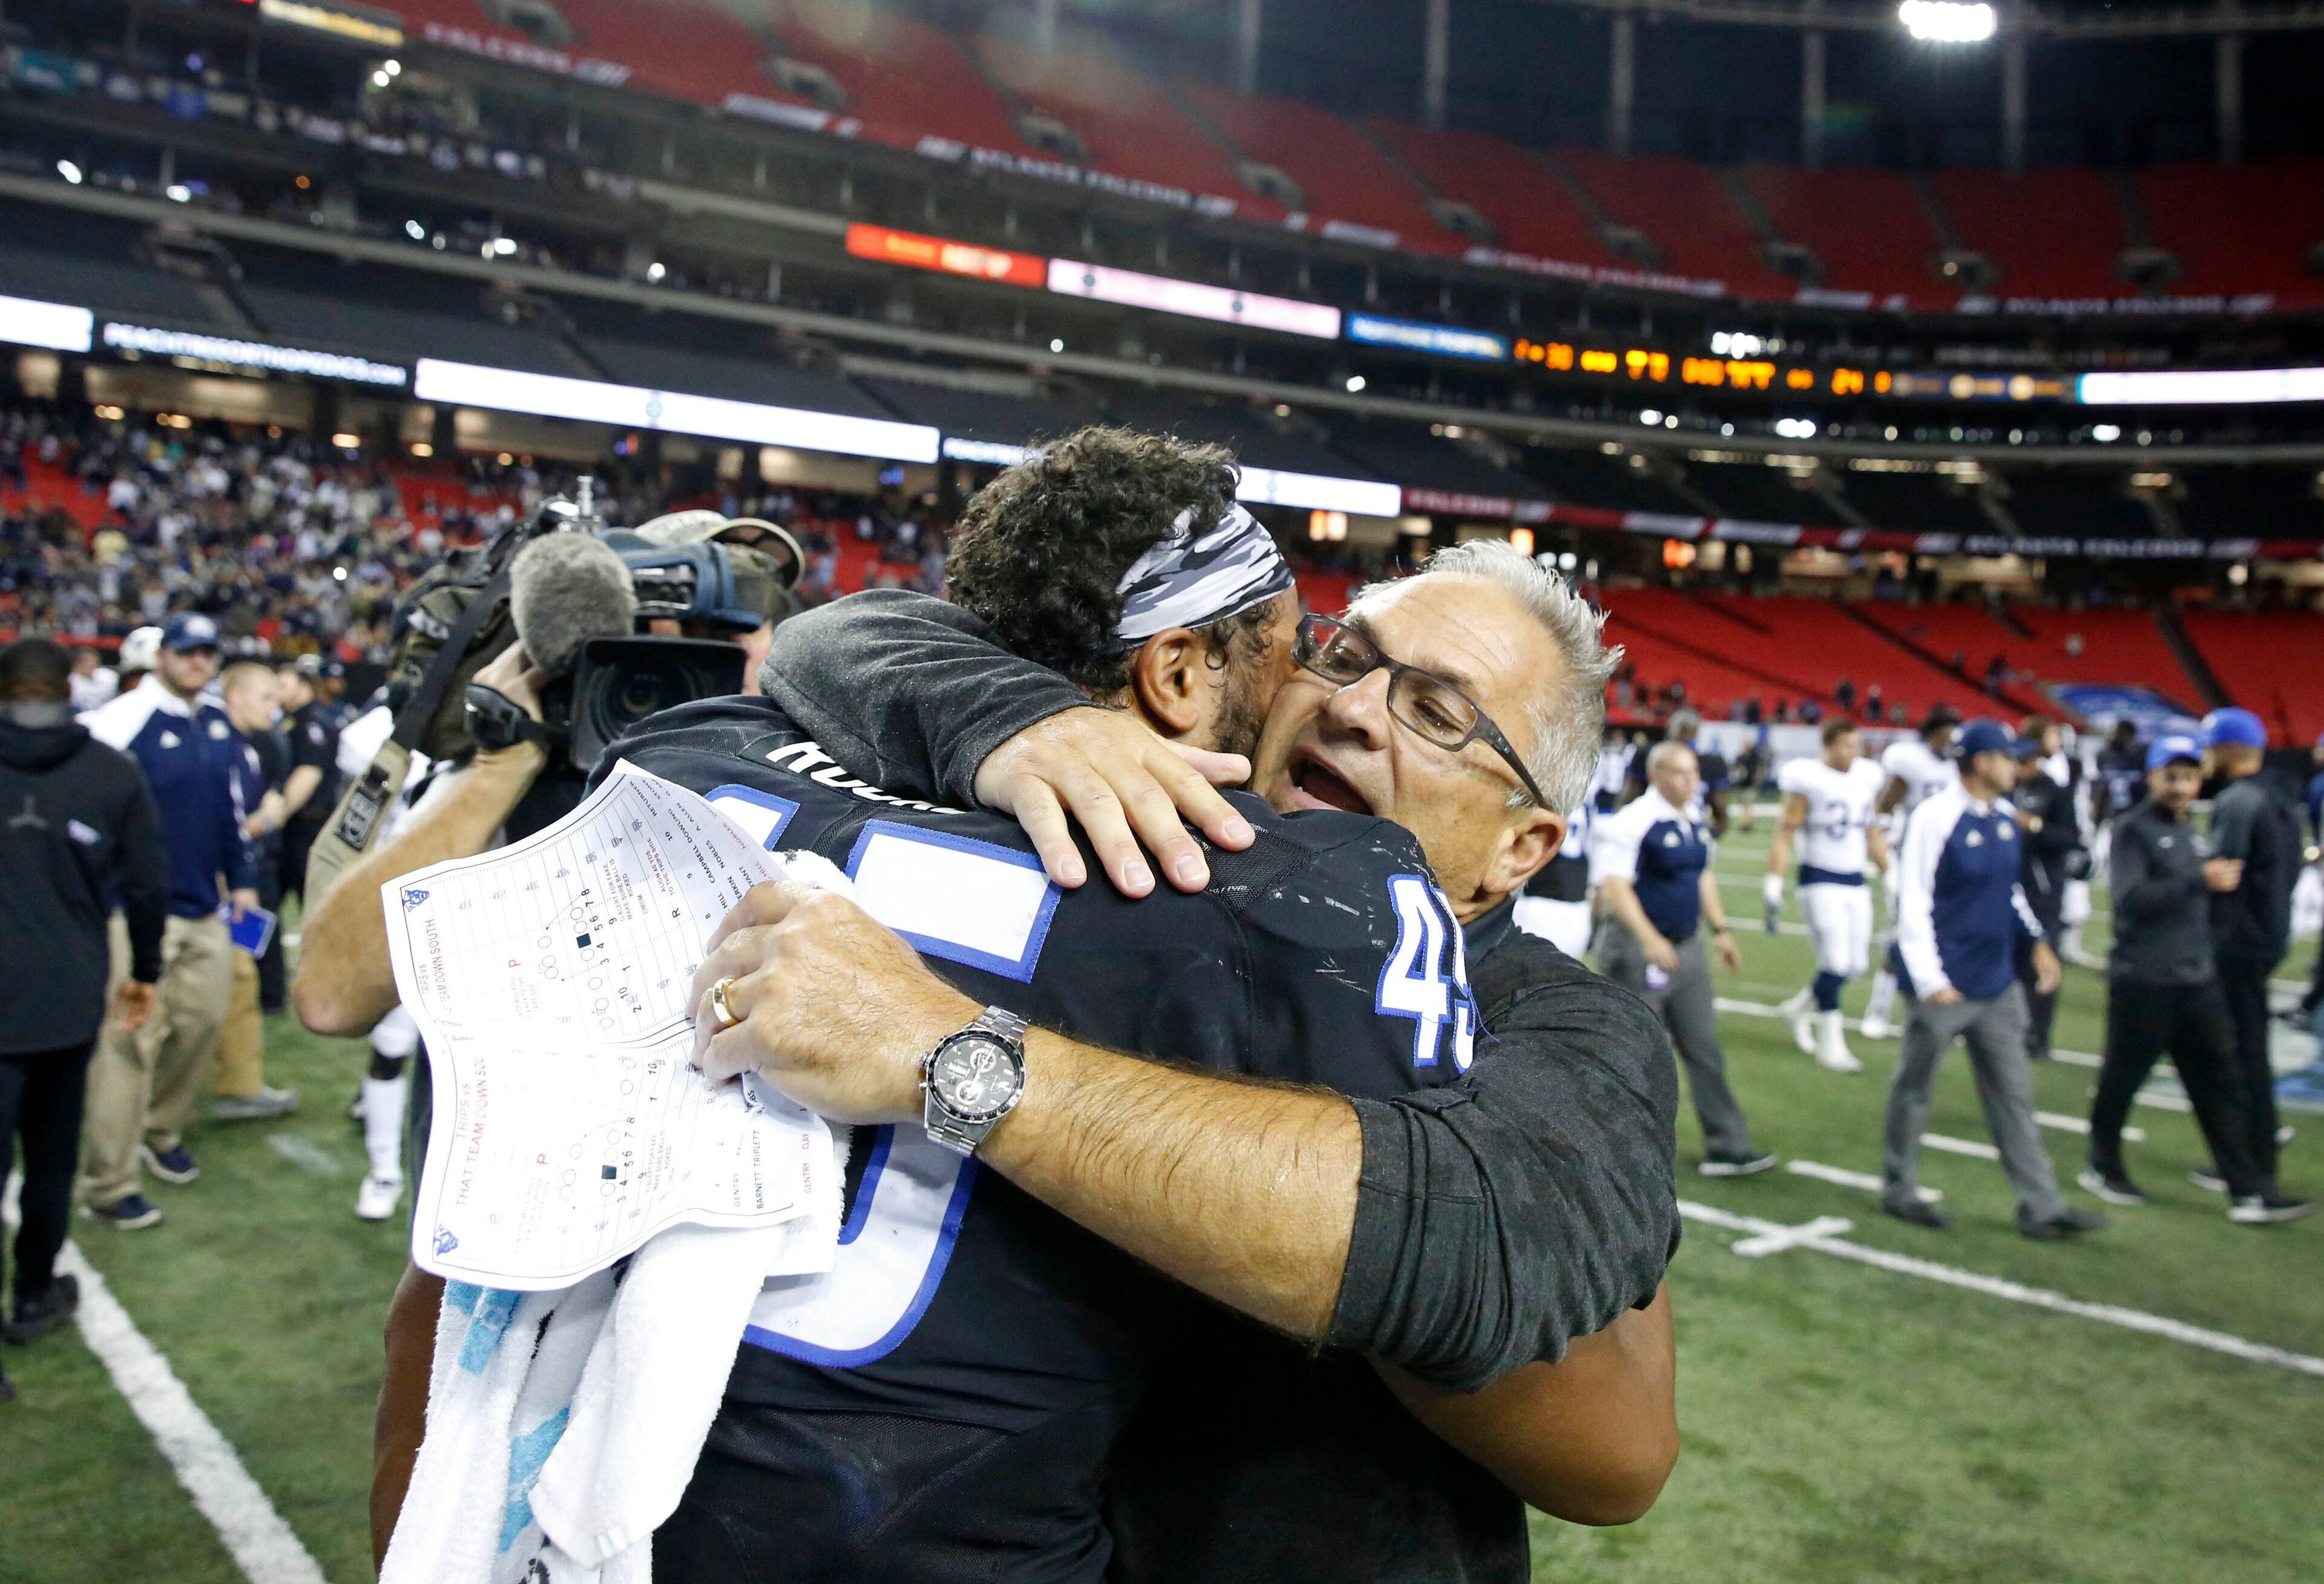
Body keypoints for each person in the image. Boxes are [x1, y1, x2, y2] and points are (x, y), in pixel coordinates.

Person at [339, 440, 1681, 1577]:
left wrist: (956, 1060)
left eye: (1437, 710)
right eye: (1345, 655)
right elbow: (856, 630)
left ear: (1525, 849)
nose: (1354, 706)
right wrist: (1005, 713)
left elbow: (1611, 1445)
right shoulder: (1106, 842)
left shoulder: (1553, 1016)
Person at [0, 639, 168, 1404]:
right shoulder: (109, 772)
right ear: (69, 689)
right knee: (51, 1162)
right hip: (67, 998)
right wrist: (146, 972)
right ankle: (34, 1292)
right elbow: (147, 885)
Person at [1882, 718, 2102, 1239]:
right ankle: (1899, 1188)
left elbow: (2011, 894)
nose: (2018, 766)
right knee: (1914, 1091)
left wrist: (2038, 945)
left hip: (1997, 983)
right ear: (1982, 762)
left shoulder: (2005, 816)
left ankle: (2041, 1206)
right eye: (2009, 757)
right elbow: (1911, 899)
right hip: (1945, 986)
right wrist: (1932, 977)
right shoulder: (1935, 817)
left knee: (2015, 1094)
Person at [2079, 735, 2311, 1223]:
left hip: (2197, 979)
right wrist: (2197, 881)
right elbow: (2130, 900)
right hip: (2145, 979)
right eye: (2172, 776)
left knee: (2221, 1083)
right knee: (2123, 1077)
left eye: (2188, 777)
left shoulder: (2195, 831)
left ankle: (2249, 1191)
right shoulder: (2132, 830)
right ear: (2152, 777)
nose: (2181, 786)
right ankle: (2102, 1163)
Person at [79, 612, 258, 1225]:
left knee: (203, 1022)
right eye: (187, 652)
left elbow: (231, 810)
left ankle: (158, 1128)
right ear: (162, 657)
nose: (198, 662)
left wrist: (244, 882)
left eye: (208, 653)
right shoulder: (123, 718)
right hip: (134, 910)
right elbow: (80, 794)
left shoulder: (214, 720)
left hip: (203, 906)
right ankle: (109, 1180)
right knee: (128, 1041)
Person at [1595, 739, 1771, 1175]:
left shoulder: (1694, 819)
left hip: (1686, 947)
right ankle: (1622, 1152)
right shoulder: (1635, 820)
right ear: (1656, 776)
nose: (1693, 780)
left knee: (1704, 1047)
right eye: (1681, 772)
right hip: (1639, 950)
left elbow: (1703, 877)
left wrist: (1722, 930)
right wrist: (1650, 939)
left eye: (1695, 772)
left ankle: (1728, 1144)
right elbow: (1615, 886)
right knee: (1636, 1053)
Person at [2196, 706, 2303, 1200]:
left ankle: (2253, 1162)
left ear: (2230, 750)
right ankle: (2248, 1155)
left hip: (2237, 941)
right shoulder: (2279, 795)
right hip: (2266, 934)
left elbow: (2223, 873)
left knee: (2238, 1055)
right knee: (2245, 1049)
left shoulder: (2239, 800)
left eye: (2211, 748)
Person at [1767, 717, 1889, 1074]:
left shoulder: (1866, 778)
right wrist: (1774, 882)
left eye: (1856, 745)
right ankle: (1831, 1045)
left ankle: (1798, 1009)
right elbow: (1786, 831)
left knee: (1855, 965)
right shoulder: (1807, 778)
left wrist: (1889, 873)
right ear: (1828, 745)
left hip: (1855, 880)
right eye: (1846, 745)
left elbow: (1872, 831)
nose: (1853, 752)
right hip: (1819, 879)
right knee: (1835, 964)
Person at [212, 662, 298, 1122]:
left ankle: (239, 1083)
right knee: (229, 980)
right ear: (236, 697)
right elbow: (212, 829)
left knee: (243, 979)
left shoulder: (243, 748)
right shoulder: (218, 748)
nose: (275, 704)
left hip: (236, 884)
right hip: (215, 888)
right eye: (265, 696)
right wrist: (265, 820)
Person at [1862, 703, 1964, 1039]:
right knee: (1902, 936)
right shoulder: (1912, 762)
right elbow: (1884, 808)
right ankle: (1877, 1011)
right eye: (1946, 736)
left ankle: (1934, 1009)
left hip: (1949, 862)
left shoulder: (1960, 768)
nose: (1950, 743)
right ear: (1932, 735)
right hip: (1912, 859)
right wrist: (1885, 851)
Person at [2009, 715, 2085, 1063]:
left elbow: (2071, 839)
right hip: (2006, 886)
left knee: (2040, 960)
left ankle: (2038, 1035)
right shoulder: (2005, 789)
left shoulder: (2054, 791)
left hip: (2041, 889)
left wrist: (2035, 825)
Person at [272, 655, 344, 928]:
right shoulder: (287, 722)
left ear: (303, 686)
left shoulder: (313, 724)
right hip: (290, 830)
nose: (277, 692)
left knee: (317, 912)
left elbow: (308, 776)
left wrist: (273, 817)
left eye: (283, 685)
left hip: (309, 827)